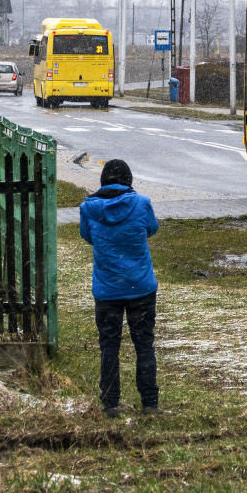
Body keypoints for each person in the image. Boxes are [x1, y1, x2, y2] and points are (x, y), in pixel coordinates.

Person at [78, 158, 160, 417]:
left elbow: (87, 236)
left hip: (107, 289)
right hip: (141, 287)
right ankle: (149, 404)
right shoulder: (142, 204)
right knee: (144, 345)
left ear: (103, 181)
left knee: (109, 346)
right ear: (129, 181)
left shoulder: (88, 209)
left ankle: (110, 405)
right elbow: (151, 229)